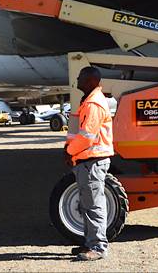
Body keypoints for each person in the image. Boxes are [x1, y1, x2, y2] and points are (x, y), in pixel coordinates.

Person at [64, 66, 114, 261]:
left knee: (93, 206)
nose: (77, 80)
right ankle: (90, 243)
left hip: (92, 161)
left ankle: (98, 247)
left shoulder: (93, 104)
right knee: (88, 205)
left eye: (80, 77)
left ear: (91, 81)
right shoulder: (89, 101)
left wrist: (69, 152)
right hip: (86, 160)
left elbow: (87, 137)